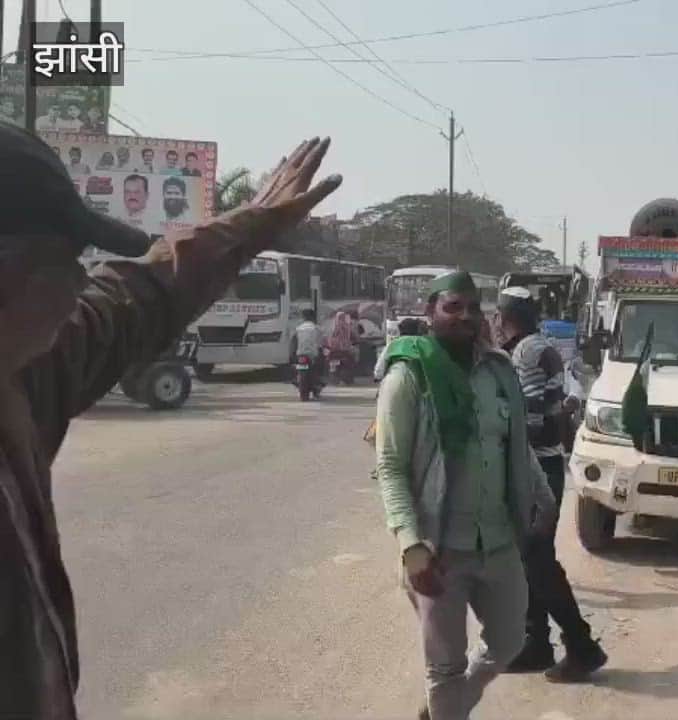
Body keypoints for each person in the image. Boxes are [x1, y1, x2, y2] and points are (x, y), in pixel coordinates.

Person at [0, 125, 341, 718]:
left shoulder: (22, 375)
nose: (82, 282)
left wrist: (247, 225)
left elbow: (137, 295)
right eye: (66, 261)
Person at [374, 270, 555, 720]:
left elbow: (514, 442)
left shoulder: (498, 371)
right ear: (430, 312)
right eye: (453, 306)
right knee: (444, 667)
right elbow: (391, 466)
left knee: (511, 641)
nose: (465, 316)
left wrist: (544, 496)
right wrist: (411, 545)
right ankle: (447, 707)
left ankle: (442, 710)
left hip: (498, 541)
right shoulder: (408, 375)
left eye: (473, 307)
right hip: (439, 551)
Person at [497, 287, 607, 682]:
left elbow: (532, 420)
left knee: (538, 562)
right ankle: (536, 643)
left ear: (506, 317)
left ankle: (581, 645)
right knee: (530, 561)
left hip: (536, 469)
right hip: (545, 465)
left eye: (497, 316)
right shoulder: (542, 346)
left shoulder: (525, 354)